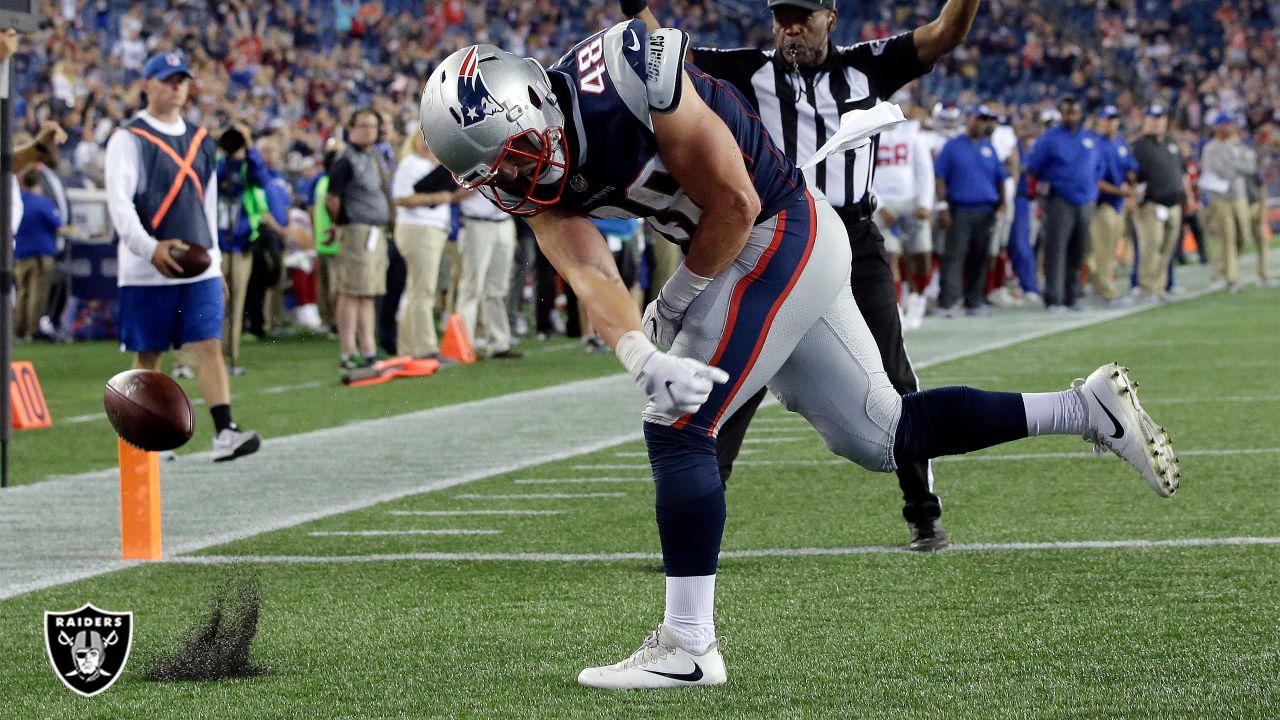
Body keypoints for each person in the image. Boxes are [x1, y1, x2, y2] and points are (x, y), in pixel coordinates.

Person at [418, 26, 1179, 690]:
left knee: (677, 425)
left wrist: (677, 305)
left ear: (535, 103)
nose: (516, 177)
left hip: (779, 228)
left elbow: (735, 203)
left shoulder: (621, 78)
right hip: (767, 246)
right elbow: (588, 271)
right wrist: (636, 352)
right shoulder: (522, 178)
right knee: (879, 435)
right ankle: (1085, 408)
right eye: (496, 172)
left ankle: (687, 645)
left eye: (517, 155)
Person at [627, 0, 985, 551]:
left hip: (853, 237)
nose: (790, 27)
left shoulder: (869, 65)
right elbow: (666, 55)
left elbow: (945, 33)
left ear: (830, 18)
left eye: (803, 16)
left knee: (893, 374)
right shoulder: (748, 70)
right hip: (775, 238)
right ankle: (696, 530)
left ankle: (923, 510)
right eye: (782, 17)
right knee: (729, 377)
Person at [104, 51, 260, 462]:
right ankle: (144, 439)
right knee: (149, 353)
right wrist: (147, 248)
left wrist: (214, 261)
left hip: (197, 265)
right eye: (167, 79)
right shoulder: (128, 138)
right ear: (148, 84)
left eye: (181, 80)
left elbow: (204, 205)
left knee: (209, 344)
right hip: (146, 267)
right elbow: (119, 205)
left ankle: (225, 429)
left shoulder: (199, 139)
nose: (175, 86)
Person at [1022, 96, 1104, 312]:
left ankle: (1072, 296)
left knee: (1078, 251)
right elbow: (1033, 167)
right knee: (1056, 250)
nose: (1071, 117)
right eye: (1067, 112)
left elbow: (1098, 168)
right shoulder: (1050, 138)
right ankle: (1054, 298)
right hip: (1059, 200)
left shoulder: (1090, 139)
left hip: (1085, 200)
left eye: (1074, 112)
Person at [326, 108, 392, 369]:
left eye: (373, 127)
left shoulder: (373, 156)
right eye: (363, 126)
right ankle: (347, 351)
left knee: (368, 293)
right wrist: (342, 224)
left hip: (374, 232)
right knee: (351, 292)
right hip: (356, 230)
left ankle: (368, 349)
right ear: (351, 130)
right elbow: (332, 199)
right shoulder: (346, 159)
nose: (369, 131)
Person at [392, 124, 460, 357]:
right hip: (419, 230)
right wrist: (437, 197)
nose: (425, 143)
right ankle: (425, 348)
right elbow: (400, 199)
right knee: (423, 290)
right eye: (421, 138)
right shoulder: (411, 163)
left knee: (417, 289)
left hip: (426, 229)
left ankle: (410, 347)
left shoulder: (425, 165)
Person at [933, 105, 1005, 316]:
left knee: (979, 256)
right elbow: (940, 178)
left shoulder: (989, 148)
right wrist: (942, 206)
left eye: (985, 120)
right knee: (955, 256)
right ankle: (948, 301)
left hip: (986, 210)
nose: (982, 123)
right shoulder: (952, 146)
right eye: (978, 119)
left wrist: (1003, 203)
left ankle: (974, 300)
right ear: (969, 119)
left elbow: (1000, 178)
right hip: (960, 209)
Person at [871, 108, 934, 330]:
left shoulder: (912, 133)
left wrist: (925, 203)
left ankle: (918, 297)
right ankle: (896, 305)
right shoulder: (872, 134)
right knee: (891, 255)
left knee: (922, 254)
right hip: (884, 204)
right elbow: (865, 172)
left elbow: (924, 169)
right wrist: (880, 204)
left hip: (911, 201)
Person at [1131, 105, 1191, 304]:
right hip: (1151, 205)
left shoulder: (1171, 143)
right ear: (1145, 121)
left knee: (1167, 249)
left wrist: (1189, 197)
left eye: (1160, 118)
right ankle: (1147, 290)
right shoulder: (1138, 146)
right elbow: (1130, 176)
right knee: (1151, 247)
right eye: (1153, 118)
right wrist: (1131, 197)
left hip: (1174, 204)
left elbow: (1183, 172)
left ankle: (1159, 288)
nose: (1157, 122)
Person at [456, 189, 522, 359]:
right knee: (472, 287)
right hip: (476, 223)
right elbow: (455, 192)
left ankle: (499, 343)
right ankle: (465, 345)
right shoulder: (467, 163)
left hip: (504, 221)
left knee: (498, 289)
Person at [1200, 112, 1257, 293]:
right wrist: (1236, 165)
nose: (1231, 128)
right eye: (1227, 124)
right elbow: (1221, 171)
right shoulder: (1211, 148)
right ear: (1219, 127)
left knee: (1243, 236)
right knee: (1229, 236)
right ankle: (1232, 279)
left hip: (1239, 195)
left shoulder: (1236, 145)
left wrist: (1234, 165)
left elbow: (1250, 167)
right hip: (1221, 198)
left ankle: (1218, 269)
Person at [1088, 105, 1139, 307]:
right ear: (1099, 121)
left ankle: (1097, 287)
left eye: (1114, 119)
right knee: (1103, 250)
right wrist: (1123, 192)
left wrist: (1132, 184)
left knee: (1107, 250)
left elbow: (1130, 168)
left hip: (1118, 203)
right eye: (1107, 119)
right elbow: (1096, 180)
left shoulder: (1120, 143)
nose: (1111, 123)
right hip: (1102, 203)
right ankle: (1105, 292)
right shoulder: (1095, 145)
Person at [13, 170, 65, 342]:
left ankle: (18, 330)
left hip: (19, 254)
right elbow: (58, 225)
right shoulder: (42, 203)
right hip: (40, 254)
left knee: (22, 293)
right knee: (37, 293)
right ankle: (33, 330)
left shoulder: (16, 202)